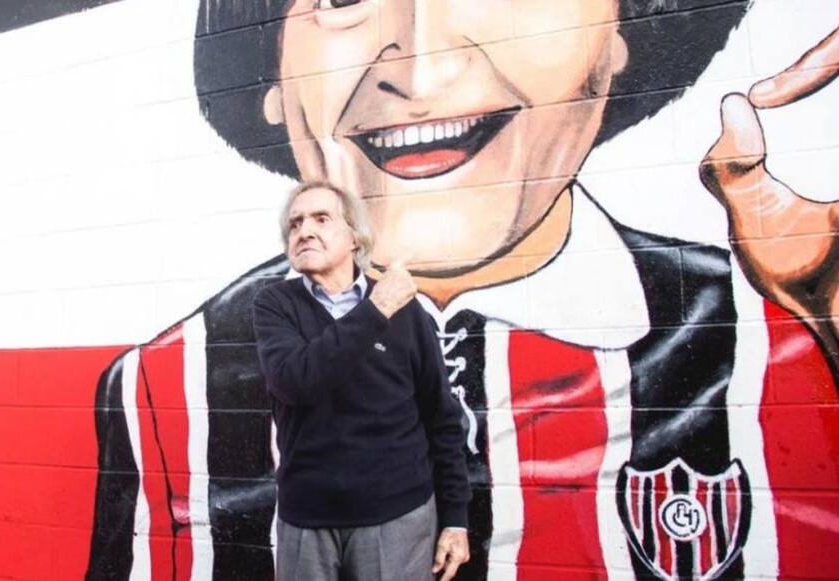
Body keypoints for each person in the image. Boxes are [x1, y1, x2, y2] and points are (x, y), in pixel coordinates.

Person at [87, 1, 839, 579]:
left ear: (619, 30)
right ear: (271, 76)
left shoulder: (781, 331)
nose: (420, 71)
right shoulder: (167, 387)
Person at [253, 182, 471, 581]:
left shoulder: (406, 313)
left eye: (322, 219)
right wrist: (376, 309)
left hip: (397, 517)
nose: (304, 231)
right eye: (296, 223)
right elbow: (295, 381)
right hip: (308, 518)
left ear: (354, 237)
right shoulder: (275, 304)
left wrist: (456, 518)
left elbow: (440, 415)